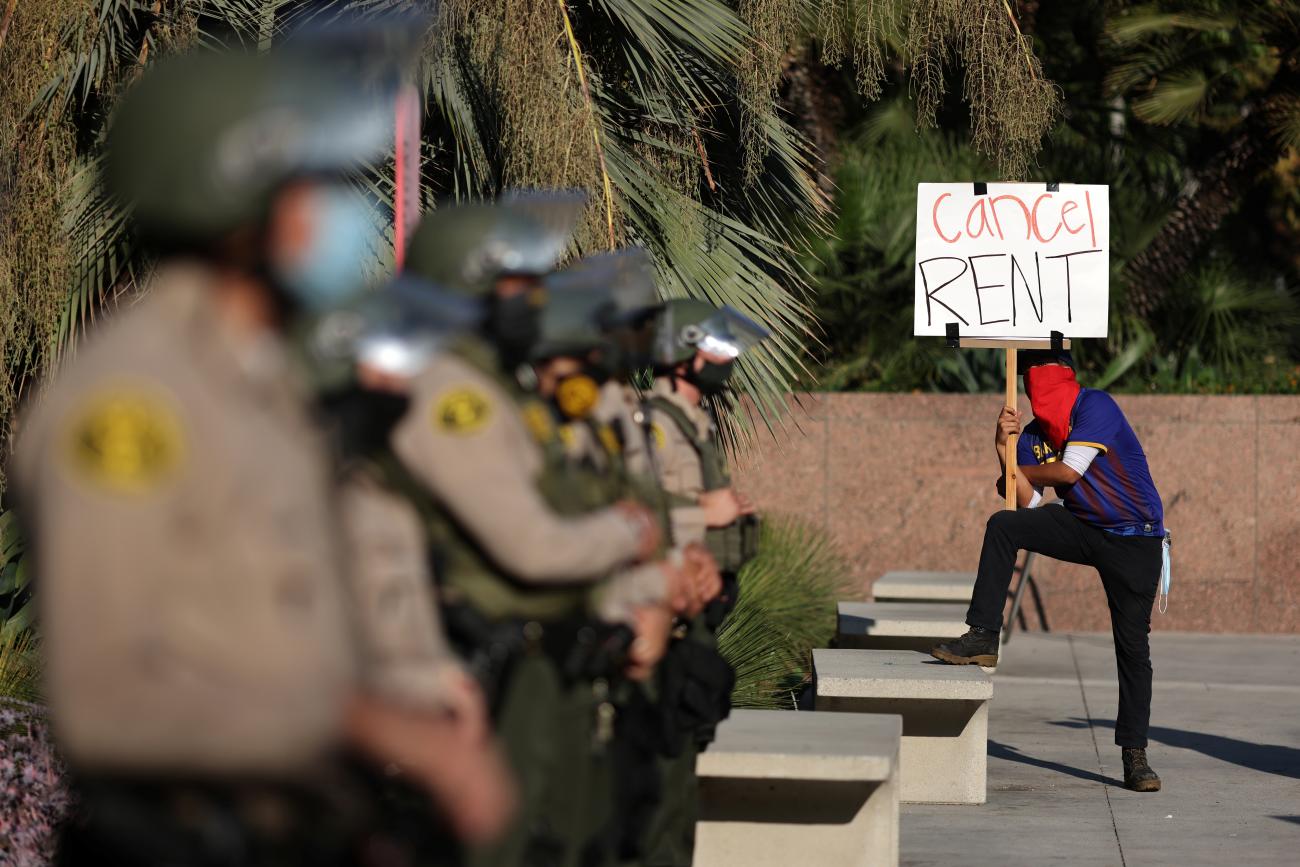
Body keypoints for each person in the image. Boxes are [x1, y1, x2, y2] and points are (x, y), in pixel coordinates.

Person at [15, 48, 509, 867]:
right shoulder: (132, 398)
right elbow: (106, 695)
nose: (331, 214)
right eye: (306, 187)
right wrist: (371, 722)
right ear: (231, 198)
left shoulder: (255, 384)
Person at [392, 201, 696, 867]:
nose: (533, 302)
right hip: (496, 665)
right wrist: (633, 534)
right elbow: (532, 543)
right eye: (515, 287)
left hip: (551, 656)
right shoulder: (453, 395)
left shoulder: (496, 389)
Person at [931, 347, 1166, 793]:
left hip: (1136, 538)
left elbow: (1071, 473)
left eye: (1047, 374)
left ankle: (1134, 755)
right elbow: (1031, 502)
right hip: (1084, 526)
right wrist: (1001, 449)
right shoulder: (1032, 436)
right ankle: (983, 634)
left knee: (1132, 649)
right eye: (1033, 378)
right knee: (1004, 525)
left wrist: (1015, 464)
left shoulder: (1095, 404)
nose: (1041, 387)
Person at [627, 298, 770, 867]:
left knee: (690, 737)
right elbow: (631, 507)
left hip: (703, 605)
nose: (725, 358)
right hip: (669, 606)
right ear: (683, 353)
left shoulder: (695, 420)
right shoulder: (656, 423)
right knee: (667, 746)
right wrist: (701, 515)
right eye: (714, 345)